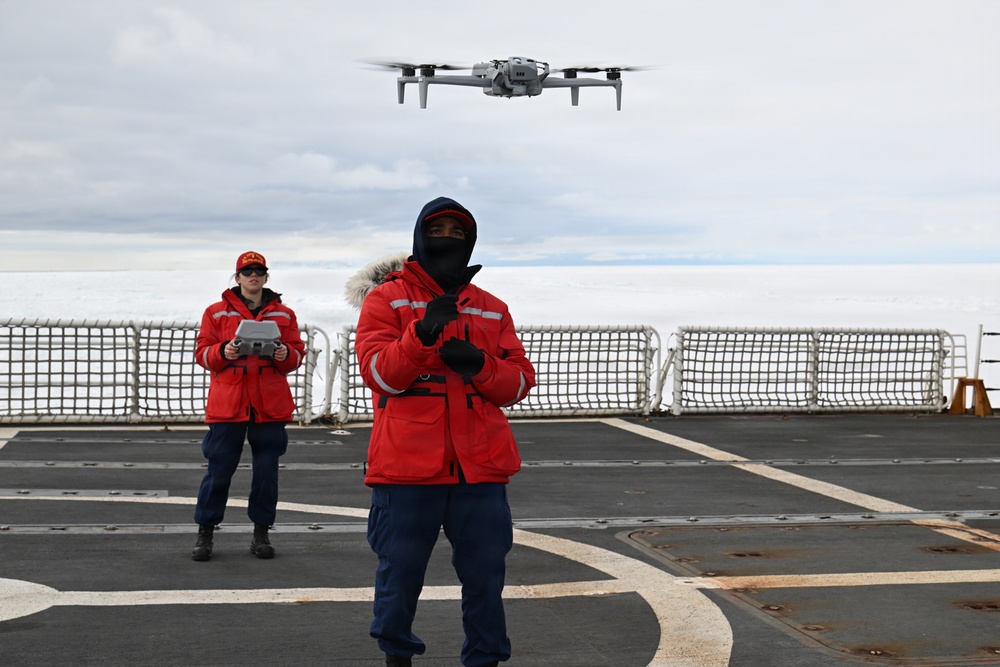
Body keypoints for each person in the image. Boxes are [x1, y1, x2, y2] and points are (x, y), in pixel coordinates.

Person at [346, 197, 536, 667]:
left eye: (458, 230)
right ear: (419, 235)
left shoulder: (492, 308)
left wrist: (480, 366)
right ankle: (398, 658)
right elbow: (380, 377)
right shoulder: (386, 299)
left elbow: (517, 383)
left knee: (486, 576)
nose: (448, 237)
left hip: (481, 469)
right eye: (439, 228)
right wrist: (420, 336)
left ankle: (485, 659)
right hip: (408, 470)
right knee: (400, 575)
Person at [191, 251, 306, 561]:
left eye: (259, 270)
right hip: (229, 404)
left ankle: (261, 533)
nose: (253, 275)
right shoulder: (215, 313)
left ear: (266, 277)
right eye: (247, 271)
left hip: (268, 405)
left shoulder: (284, 314)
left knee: (267, 473)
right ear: (237, 277)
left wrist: (284, 356)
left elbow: (296, 353)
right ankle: (205, 533)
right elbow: (202, 353)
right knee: (218, 472)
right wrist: (224, 351)